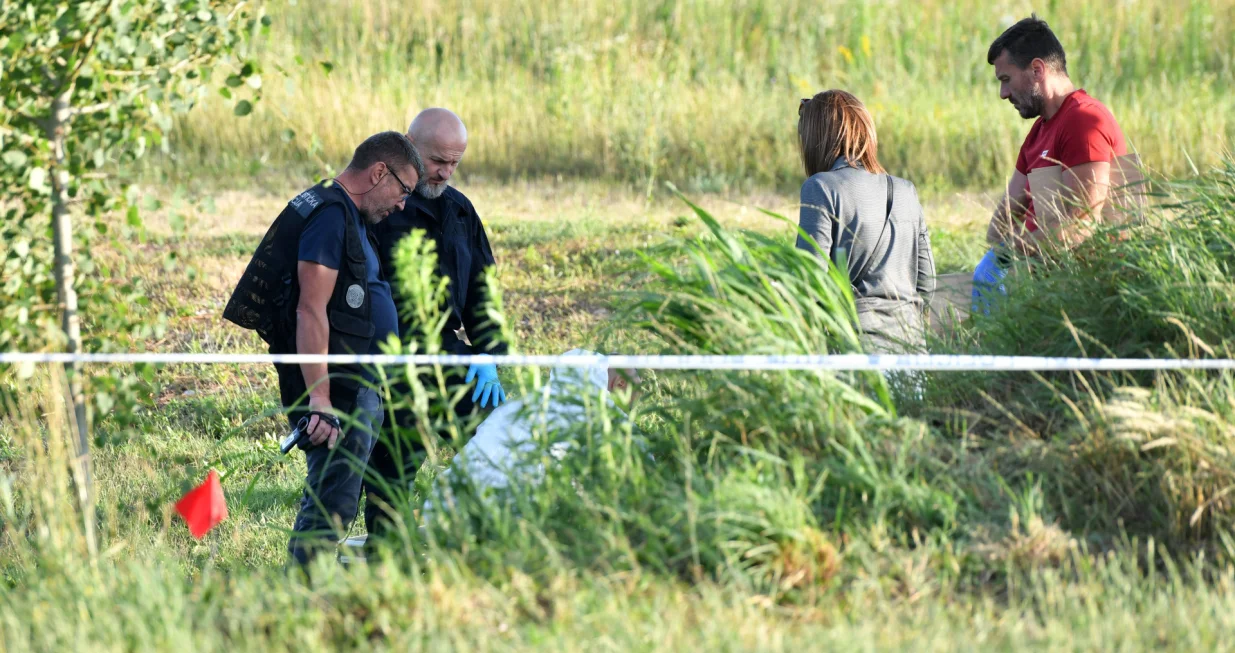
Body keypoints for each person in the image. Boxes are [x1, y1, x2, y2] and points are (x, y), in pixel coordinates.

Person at [223, 131, 425, 566]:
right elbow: (309, 311)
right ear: (378, 173)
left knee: (341, 496)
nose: (403, 203)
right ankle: (303, 597)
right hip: (337, 391)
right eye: (403, 190)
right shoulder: (331, 216)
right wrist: (320, 400)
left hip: (354, 384)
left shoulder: (341, 211)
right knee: (331, 504)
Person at [365, 108, 508, 544]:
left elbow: (485, 295)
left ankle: (492, 537)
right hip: (387, 355)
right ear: (408, 146)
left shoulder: (461, 212)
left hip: (449, 354)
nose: (445, 172)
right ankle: (388, 553)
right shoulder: (377, 208)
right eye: (437, 161)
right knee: (392, 466)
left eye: (455, 163)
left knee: (500, 435)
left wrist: (489, 355)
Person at [975, 15, 1129, 308]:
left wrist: (1022, 249)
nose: (1003, 94)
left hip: (1087, 295)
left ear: (1036, 69)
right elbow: (1001, 220)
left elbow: (1085, 225)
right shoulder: (1039, 132)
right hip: (1043, 282)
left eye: (1006, 80)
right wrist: (1011, 250)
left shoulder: (1084, 120)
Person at [795, 90, 936, 354]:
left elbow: (808, 283)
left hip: (856, 353)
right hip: (912, 351)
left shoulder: (820, 188)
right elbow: (927, 283)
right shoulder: (906, 190)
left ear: (817, 139)